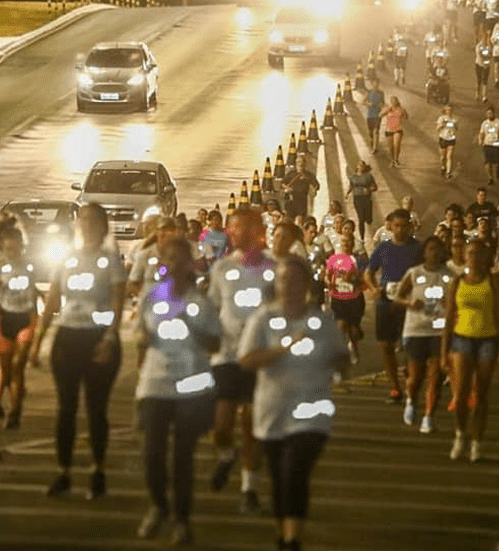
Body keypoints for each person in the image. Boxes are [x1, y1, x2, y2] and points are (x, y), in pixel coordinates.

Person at [238, 255, 349, 551]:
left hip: (312, 411)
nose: (290, 284)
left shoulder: (322, 322)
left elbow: (342, 357)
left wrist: (340, 364)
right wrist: (284, 348)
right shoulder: (262, 318)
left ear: (307, 284)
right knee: (279, 477)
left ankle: (292, 540)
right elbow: (247, 359)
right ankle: (283, 534)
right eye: (284, 278)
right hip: (273, 410)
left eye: (296, 279)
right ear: (276, 283)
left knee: (295, 471)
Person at [30, 204, 126, 498]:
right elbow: (51, 303)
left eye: (93, 220)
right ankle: (64, 472)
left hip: (98, 339)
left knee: (96, 409)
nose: (86, 225)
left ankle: (98, 470)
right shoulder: (67, 260)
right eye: (82, 220)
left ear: (103, 226)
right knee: (66, 409)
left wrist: (109, 338)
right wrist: (37, 342)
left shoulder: (110, 262)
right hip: (68, 338)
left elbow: (118, 304)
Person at [135, 238, 221, 545]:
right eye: (169, 259)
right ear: (163, 261)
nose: (175, 265)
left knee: (183, 456)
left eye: (182, 260)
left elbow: (215, 344)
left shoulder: (201, 302)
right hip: (155, 384)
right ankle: (159, 505)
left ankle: (182, 519)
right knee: (152, 453)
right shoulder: (150, 296)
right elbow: (141, 338)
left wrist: (191, 327)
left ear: (190, 265)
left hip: (190, 384)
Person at [207, 209, 278, 513]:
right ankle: (226, 455)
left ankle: (249, 487)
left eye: (244, 227)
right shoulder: (221, 268)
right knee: (221, 424)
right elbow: (212, 307)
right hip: (225, 354)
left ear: (258, 230)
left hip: (258, 357)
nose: (237, 232)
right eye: (233, 227)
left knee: (251, 424)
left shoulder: (273, 269)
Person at [441, 241, 499, 462]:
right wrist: (444, 350)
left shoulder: (494, 282)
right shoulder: (457, 281)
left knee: (481, 395)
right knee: (460, 395)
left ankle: (477, 441)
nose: (474, 257)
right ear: (464, 256)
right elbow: (449, 317)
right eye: (470, 253)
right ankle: (460, 433)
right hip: (461, 339)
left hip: (488, 339)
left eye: (479, 253)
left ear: (486, 257)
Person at [392, 236, 454, 434]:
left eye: (438, 249)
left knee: (435, 377)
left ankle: (428, 416)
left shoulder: (450, 275)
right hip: (416, 329)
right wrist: (409, 302)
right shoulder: (414, 272)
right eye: (430, 249)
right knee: (416, 377)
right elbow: (397, 297)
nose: (434, 253)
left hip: (439, 330)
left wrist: (450, 303)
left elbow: (458, 301)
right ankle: (411, 400)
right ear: (424, 252)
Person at [364, 209, 422, 403]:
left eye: (404, 226)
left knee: (410, 345)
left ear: (410, 227)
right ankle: (395, 388)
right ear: (390, 226)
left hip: (409, 304)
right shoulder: (383, 248)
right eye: (396, 226)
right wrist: (373, 288)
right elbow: (368, 272)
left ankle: (410, 381)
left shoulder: (418, 248)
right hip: (385, 301)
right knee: (385, 344)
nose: (400, 230)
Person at [0, 225, 37, 429]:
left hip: (23, 319)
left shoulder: (29, 268)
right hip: (5, 320)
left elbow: (32, 298)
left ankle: (14, 410)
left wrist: (34, 322)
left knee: (18, 366)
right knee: (5, 372)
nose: (13, 253)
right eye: (9, 249)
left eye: (17, 249)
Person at [325, 233, 366, 365]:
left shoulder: (358, 260)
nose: (345, 244)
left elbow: (365, 279)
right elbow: (327, 275)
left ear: (353, 244)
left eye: (348, 242)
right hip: (338, 298)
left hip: (354, 299)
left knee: (353, 330)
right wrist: (328, 283)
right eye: (343, 242)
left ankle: (354, 347)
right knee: (341, 326)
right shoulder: (333, 259)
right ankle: (342, 353)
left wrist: (353, 279)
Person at [346, 160, 377, 244]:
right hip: (357, 198)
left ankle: (369, 219)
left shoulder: (368, 176)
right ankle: (362, 238)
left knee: (368, 219)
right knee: (361, 218)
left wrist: (368, 189)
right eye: (359, 165)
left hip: (366, 198)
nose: (361, 167)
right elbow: (351, 186)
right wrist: (347, 193)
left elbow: (375, 187)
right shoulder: (353, 177)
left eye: (362, 165)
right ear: (357, 167)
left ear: (364, 167)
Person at [282, 155, 320, 219]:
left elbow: (316, 186)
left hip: (303, 201)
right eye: (299, 162)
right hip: (291, 199)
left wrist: (308, 181)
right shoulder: (291, 173)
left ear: (305, 164)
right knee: (290, 218)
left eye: (302, 162)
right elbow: (283, 183)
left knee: (300, 219)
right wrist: (287, 188)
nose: (300, 164)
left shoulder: (309, 175)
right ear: (296, 163)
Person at [479, 106, 499, 185]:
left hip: (496, 144)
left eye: (490, 113)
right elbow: (481, 133)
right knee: (488, 162)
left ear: (494, 113)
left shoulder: (498, 122)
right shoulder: (484, 123)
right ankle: (490, 178)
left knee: (497, 162)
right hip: (487, 144)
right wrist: (480, 140)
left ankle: (498, 169)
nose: (489, 115)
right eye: (488, 113)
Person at [379, 95, 407, 168]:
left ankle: (396, 159)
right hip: (389, 129)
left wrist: (405, 112)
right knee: (391, 147)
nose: (394, 102)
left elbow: (406, 117)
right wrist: (385, 111)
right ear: (391, 102)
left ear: (397, 101)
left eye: (395, 101)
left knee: (396, 145)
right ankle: (392, 160)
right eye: (392, 101)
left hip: (398, 129)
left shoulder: (401, 109)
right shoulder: (388, 109)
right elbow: (380, 115)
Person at [436, 104, 458, 180]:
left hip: (451, 139)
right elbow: (437, 128)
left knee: (449, 156)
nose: (449, 111)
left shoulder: (454, 119)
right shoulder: (441, 118)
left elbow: (457, 128)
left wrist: (455, 126)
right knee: (443, 157)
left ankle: (448, 172)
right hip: (443, 139)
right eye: (448, 110)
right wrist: (442, 125)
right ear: (445, 111)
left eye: (450, 110)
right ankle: (443, 166)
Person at [365, 79, 385, 154]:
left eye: (377, 84)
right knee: (370, 132)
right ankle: (372, 141)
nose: (376, 85)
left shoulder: (381, 93)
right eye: (374, 84)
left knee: (376, 131)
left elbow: (383, 102)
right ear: (372, 84)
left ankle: (375, 148)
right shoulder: (369, 92)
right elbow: (363, 101)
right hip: (370, 115)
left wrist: (382, 106)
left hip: (377, 115)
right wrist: (368, 104)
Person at [474, 30, 492, 102]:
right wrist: (487, 56)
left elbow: (490, 54)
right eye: (484, 38)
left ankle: (484, 96)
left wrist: (488, 56)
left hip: (486, 66)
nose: (485, 39)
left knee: (485, 81)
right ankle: (477, 94)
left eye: (486, 38)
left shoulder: (488, 46)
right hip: (479, 64)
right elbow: (480, 55)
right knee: (479, 80)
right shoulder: (479, 46)